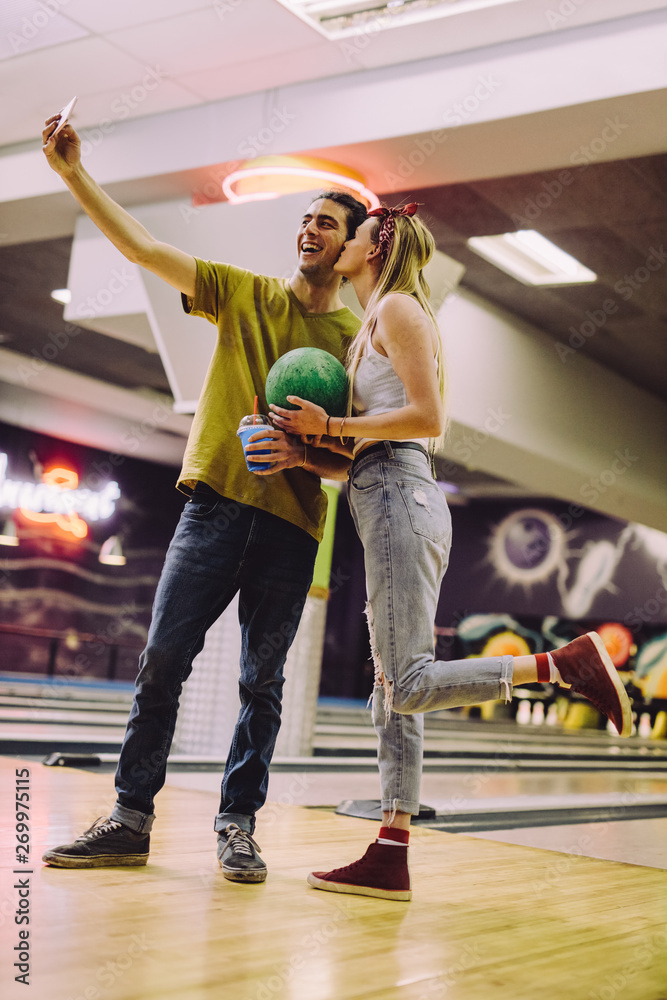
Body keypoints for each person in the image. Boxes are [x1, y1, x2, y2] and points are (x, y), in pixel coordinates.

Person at [269, 203, 633, 902]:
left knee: (405, 683)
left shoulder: (400, 310)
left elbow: (427, 419)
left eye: (352, 232)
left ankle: (561, 662)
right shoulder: (373, 322)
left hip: (401, 499)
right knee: (391, 694)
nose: (338, 241)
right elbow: (367, 455)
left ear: (376, 246)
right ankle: (390, 848)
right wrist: (308, 450)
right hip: (380, 495)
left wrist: (332, 423)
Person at [39, 110, 367, 882]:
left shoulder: (356, 342)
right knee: (162, 661)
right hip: (212, 509)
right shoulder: (242, 294)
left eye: (326, 222)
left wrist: (305, 450)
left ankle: (237, 826)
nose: (310, 229)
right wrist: (73, 173)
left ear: (351, 244)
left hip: (292, 529)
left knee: (262, 682)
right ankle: (128, 817)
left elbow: (359, 464)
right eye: (305, 219)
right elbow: (143, 248)